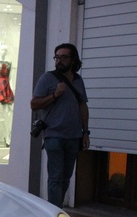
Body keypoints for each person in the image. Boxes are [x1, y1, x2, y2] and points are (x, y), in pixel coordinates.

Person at [31, 43, 90, 208]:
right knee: (56, 177)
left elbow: (83, 106)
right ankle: (54, 213)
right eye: (57, 57)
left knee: (66, 177)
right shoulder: (47, 78)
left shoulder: (78, 80)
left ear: (73, 60)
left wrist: (86, 132)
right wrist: (55, 94)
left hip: (74, 136)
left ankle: (58, 208)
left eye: (64, 57)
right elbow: (34, 104)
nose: (59, 60)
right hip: (54, 136)